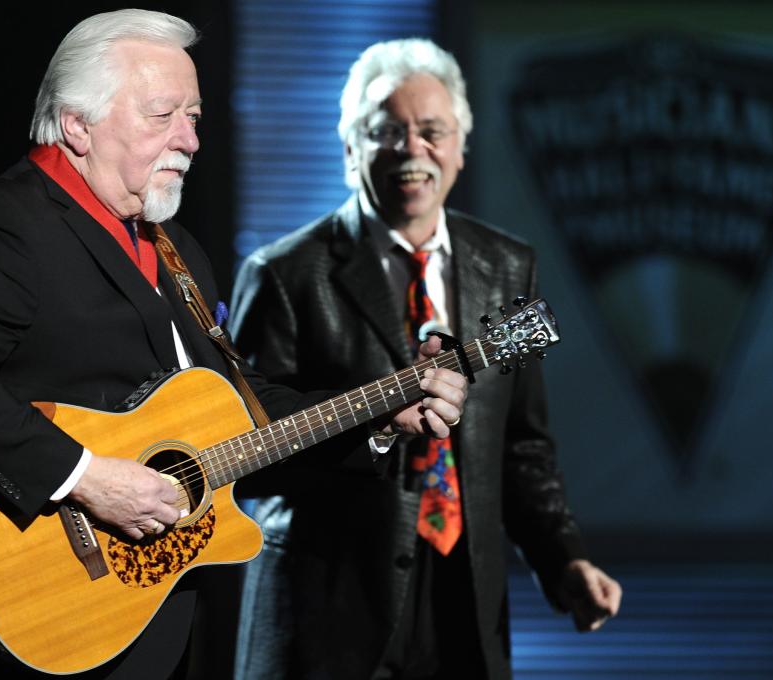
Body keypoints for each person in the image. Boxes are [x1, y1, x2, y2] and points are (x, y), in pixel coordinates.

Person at [0, 13, 466, 680]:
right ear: (78, 124)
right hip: (30, 620)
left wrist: (383, 415)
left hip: (150, 624)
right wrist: (87, 478)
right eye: (163, 114)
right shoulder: (8, 219)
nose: (189, 139)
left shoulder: (176, 249)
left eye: (193, 116)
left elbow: (239, 416)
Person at [229, 38, 623, 679]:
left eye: (432, 131)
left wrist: (564, 560)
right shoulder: (282, 274)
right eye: (388, 132)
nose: (413, 150)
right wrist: (375, 430)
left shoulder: (506, 265)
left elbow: (522, 447)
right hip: (325, 612)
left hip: (463, 603)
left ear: (461, 148)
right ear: (351, 149)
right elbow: (246, 455)